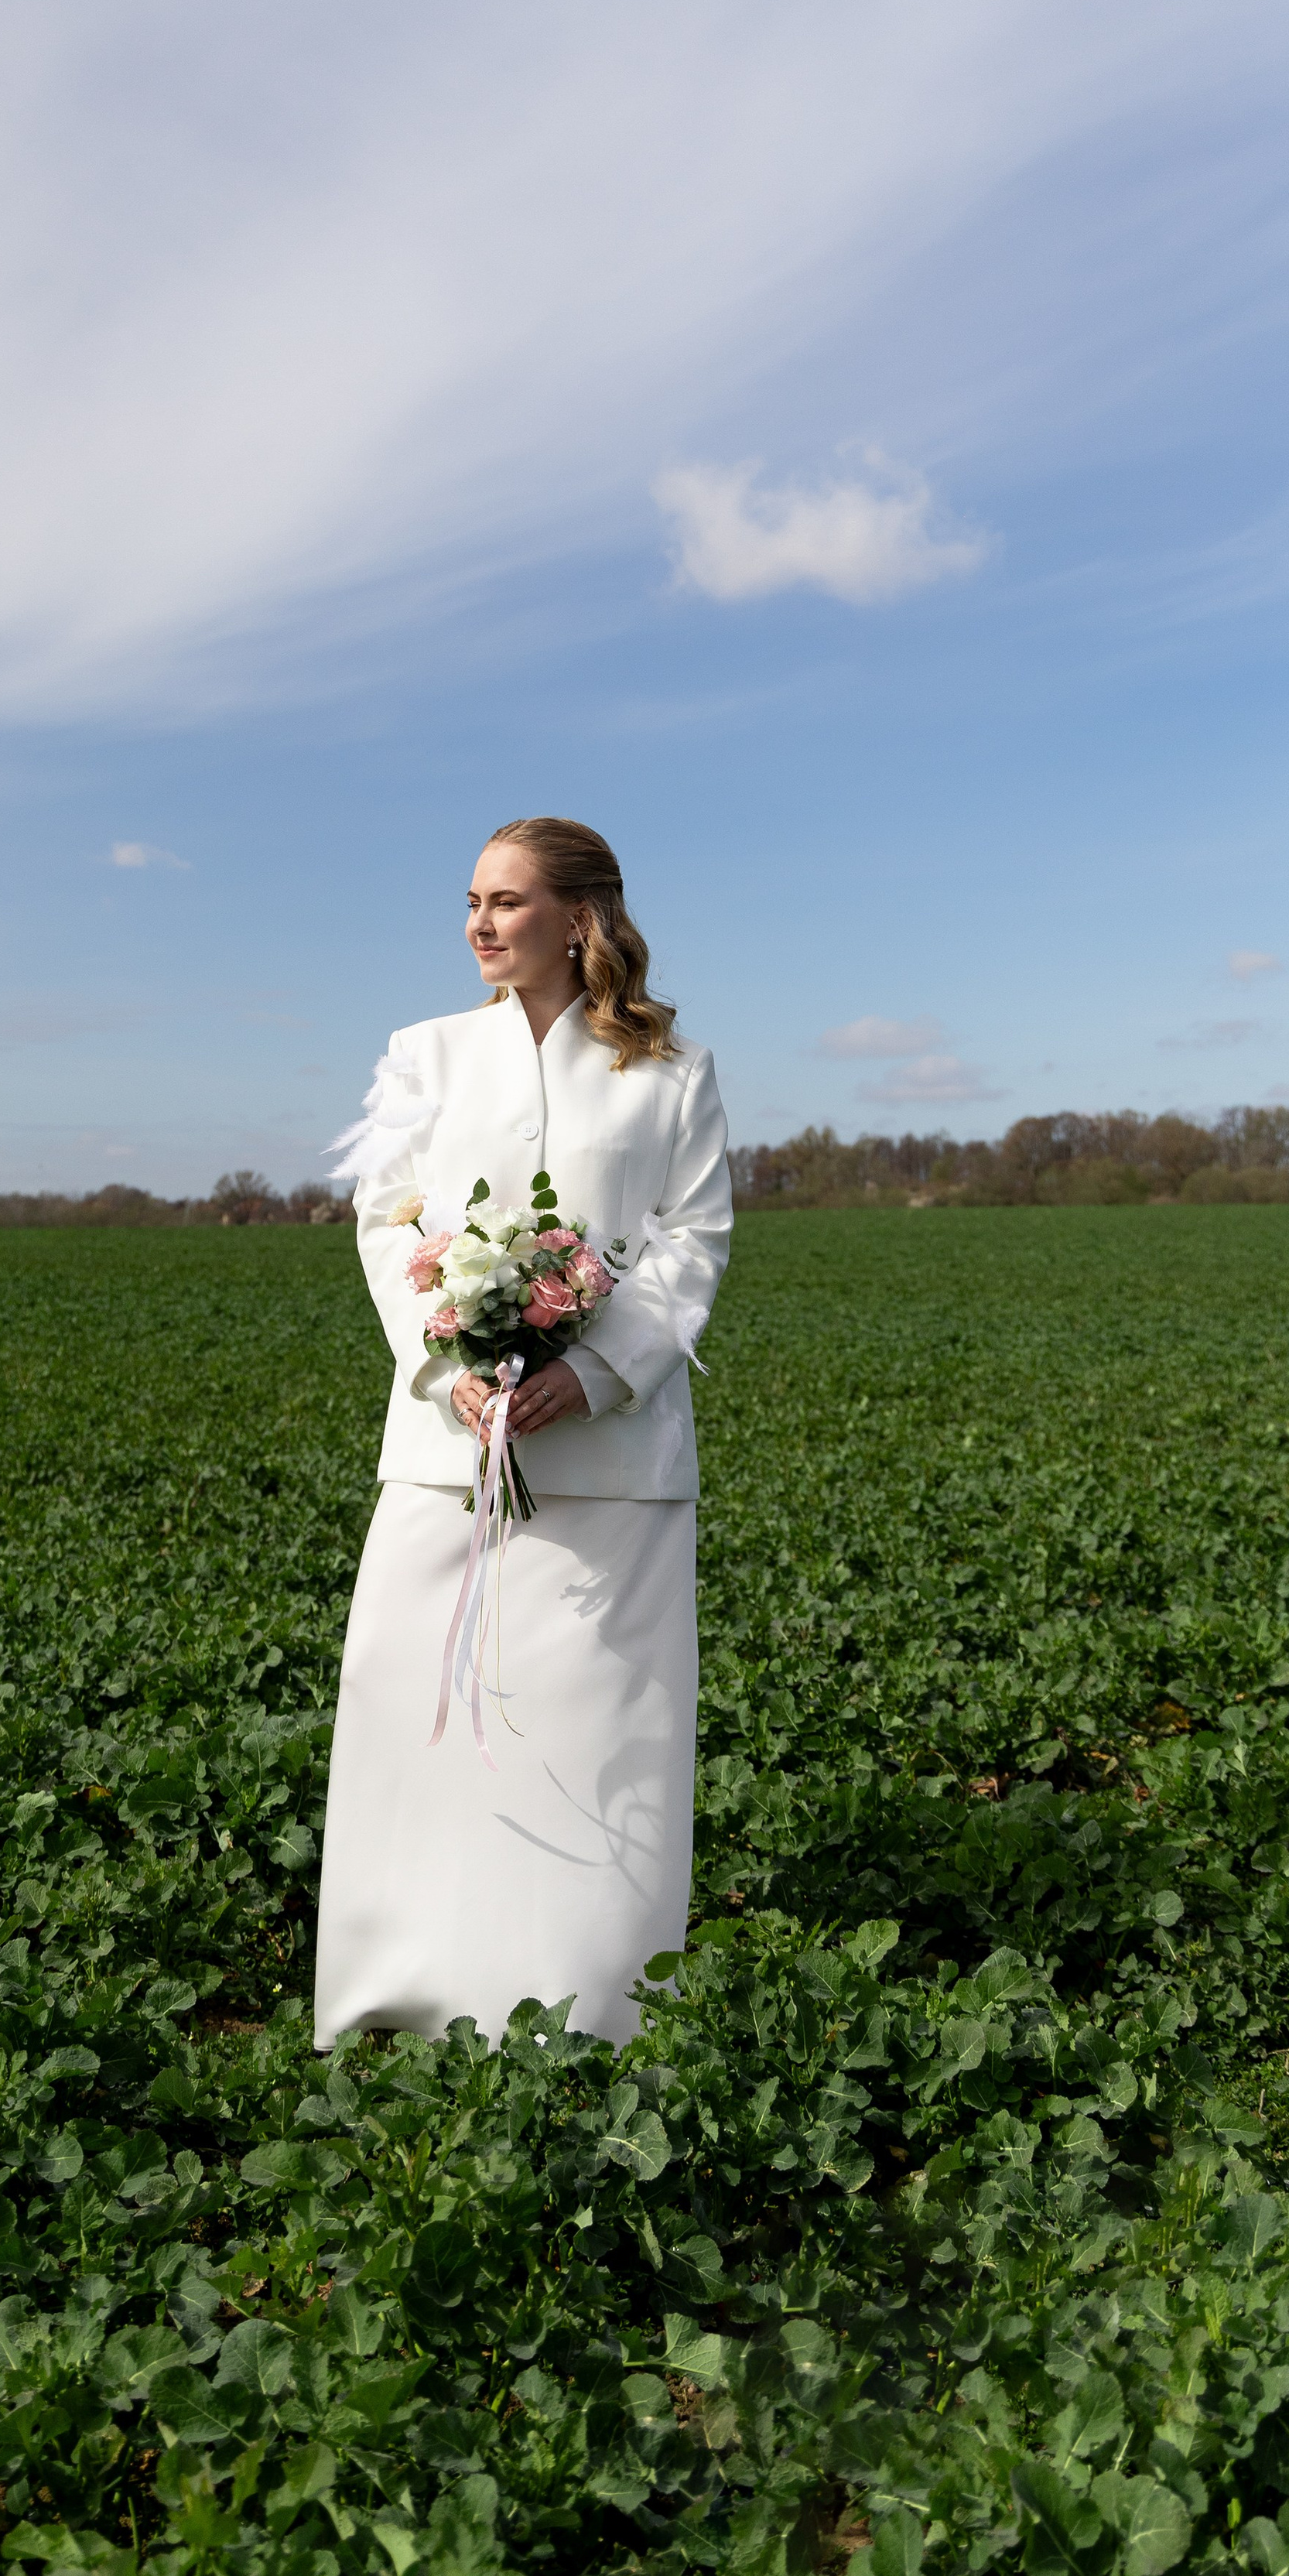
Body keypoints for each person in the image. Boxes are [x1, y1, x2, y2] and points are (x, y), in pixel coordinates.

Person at [313, 816, 731, 2049]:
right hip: (448, 1459)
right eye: (473, 901)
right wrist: (447, 1371)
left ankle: (599, 2013)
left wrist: (595, 1373)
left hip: (617, 1467)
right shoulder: (423, 1055)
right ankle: (402, 1998)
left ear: (580, 916)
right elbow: (388, 1226)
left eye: (506, 901)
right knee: (417, 1719)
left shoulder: (676, 1073)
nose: (479, 924)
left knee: (600, 1736)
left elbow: (690, 1243)